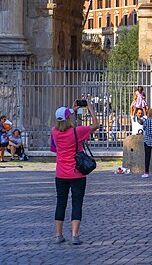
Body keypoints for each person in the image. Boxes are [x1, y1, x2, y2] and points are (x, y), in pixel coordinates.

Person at [50, 104, 99, 245]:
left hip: (60, 174)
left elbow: (54, 149)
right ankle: (75, 235)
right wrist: (90, 107)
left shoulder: (54, 131)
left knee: (61, 203)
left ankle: (58, 235)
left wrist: (72, 109)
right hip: (77, 174)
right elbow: (95, 125)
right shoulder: (77, 131)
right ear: (69, 118)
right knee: (77, 203)